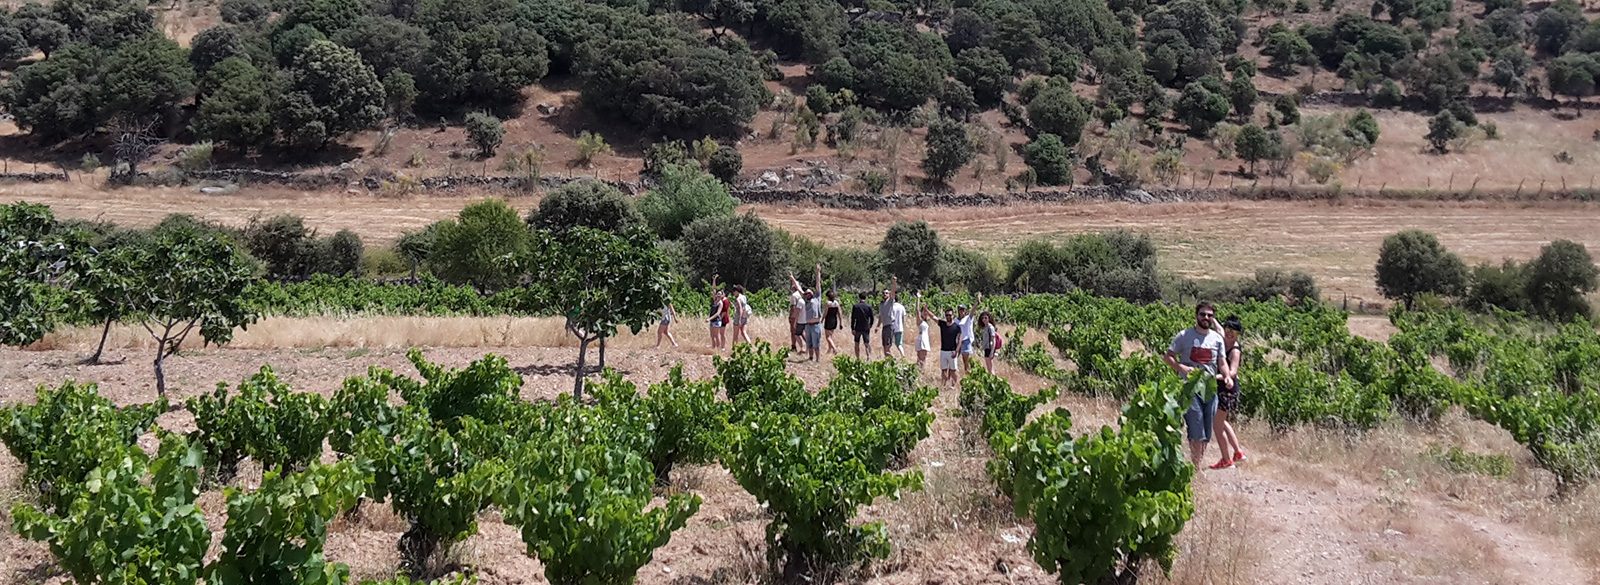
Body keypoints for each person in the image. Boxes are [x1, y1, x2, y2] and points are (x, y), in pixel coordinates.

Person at [1163, 301, 1227, 466]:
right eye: (1203, 314)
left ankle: (1197, 462)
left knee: (1206, 430)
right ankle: (1196, 466)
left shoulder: (1217, 338)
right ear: (1196, 315)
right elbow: (1168, 357)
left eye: (1210, 315)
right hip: (1190, 387)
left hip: (1210, 388)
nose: (1206, 318)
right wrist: (1180, 367)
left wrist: (1226, 376)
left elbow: (1221, 361)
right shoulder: (1184, 336)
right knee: (1196, 425)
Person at [1211, 315, 1247, 469]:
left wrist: (1213, 377)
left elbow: (1232, 372)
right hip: (1222, 387)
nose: (1229, 333)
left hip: (1228, 388)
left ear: (1238, 333)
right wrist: (1212, 319)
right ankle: (1238, 453)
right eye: (1228, 329)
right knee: (1222, 421)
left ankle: (1226, 460)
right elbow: (1218, 328)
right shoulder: (1223, 339)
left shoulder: (1235, 350)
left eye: (1234, 331)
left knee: (1217, 426)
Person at [921, 304, 962, 386]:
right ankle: (943, 385)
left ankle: (954, 386)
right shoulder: (942, 324)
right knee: (943, 370)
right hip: (943, 351)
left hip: (952, 351)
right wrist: (927, 310)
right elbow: (934, 317)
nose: (948, 317)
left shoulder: (957, 327)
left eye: (949, 315)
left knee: (953, 371)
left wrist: (956, 351)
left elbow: (960, 340)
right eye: (946, 315)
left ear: (953, 315)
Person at [790, 264, 824, 362]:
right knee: (809, 343)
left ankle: (817, 359)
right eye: (806, 293)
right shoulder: (805, 300)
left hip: (816, 325)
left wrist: (818, 272)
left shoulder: (817, 298)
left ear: (812, 293)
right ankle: (810, 357)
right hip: (808, 325)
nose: (807, 294)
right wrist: (793, 279)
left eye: (809, 293)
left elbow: (818, 284)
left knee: (816, 344)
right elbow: (799, 288)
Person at [880, 277, 906, 358]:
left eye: (886, 293)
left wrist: (894, 282)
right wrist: (877, 326)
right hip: (884, 327)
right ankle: (888, 361)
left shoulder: (890, 302)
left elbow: (893, 291)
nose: (885, 294)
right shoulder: (881, 305)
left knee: (888, 346)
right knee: (884, 346)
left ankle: (892, 360)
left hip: (889, 327)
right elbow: (881, 316)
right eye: (884, 293)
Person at [850, 291, 875, 359]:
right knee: (866, 343)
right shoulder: (868, 306)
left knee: (856, 343)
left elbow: (853, 318)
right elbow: (872, 317)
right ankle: (868, 356)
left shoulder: (855, 306)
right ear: (865, 298)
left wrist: (852, 328)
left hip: (857, 327)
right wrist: (870, 325)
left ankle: (858, 358)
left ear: (859, 297)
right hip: (866, 327)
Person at [956, 305, 975, 370]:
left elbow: (972, 311)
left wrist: (977, 303)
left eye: (963, 309)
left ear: (965, 311)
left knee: (965, 361)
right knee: (954, 358)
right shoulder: (956, 320)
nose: (961, 311)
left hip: (966, 340)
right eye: (960, 309)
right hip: (958, 341)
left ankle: (967, 374)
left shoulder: (968, 318)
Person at [915, 292, 931, 369]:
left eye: (926, 312)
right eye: (924, 311)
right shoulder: (920, 320)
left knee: (921, 358)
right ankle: (921, 371)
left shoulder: (925, 321)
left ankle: (919, 371)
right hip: (922, 340)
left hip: (924, 339)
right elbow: (917, 310)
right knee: (921, 358)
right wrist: (918, 298)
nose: (925, 313)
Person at [823, 289, 842, 355]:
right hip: (834, 320)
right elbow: (839, 313)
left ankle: (834, 348)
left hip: (828, 320)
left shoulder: (828, 303)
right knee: (830, 335)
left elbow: (825, 313)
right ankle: (829, 349)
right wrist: (841, 322)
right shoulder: (836, 303)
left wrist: (822, 319)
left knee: (827, 337)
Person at [788, 281, 805, 351]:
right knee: (802, 332)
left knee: (793, 332)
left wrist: (791, 316)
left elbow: (793, 307)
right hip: (803, 316)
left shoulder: (794, 295)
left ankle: (794, 346)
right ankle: (809, 345)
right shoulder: (802, 294)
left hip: (795, 316)